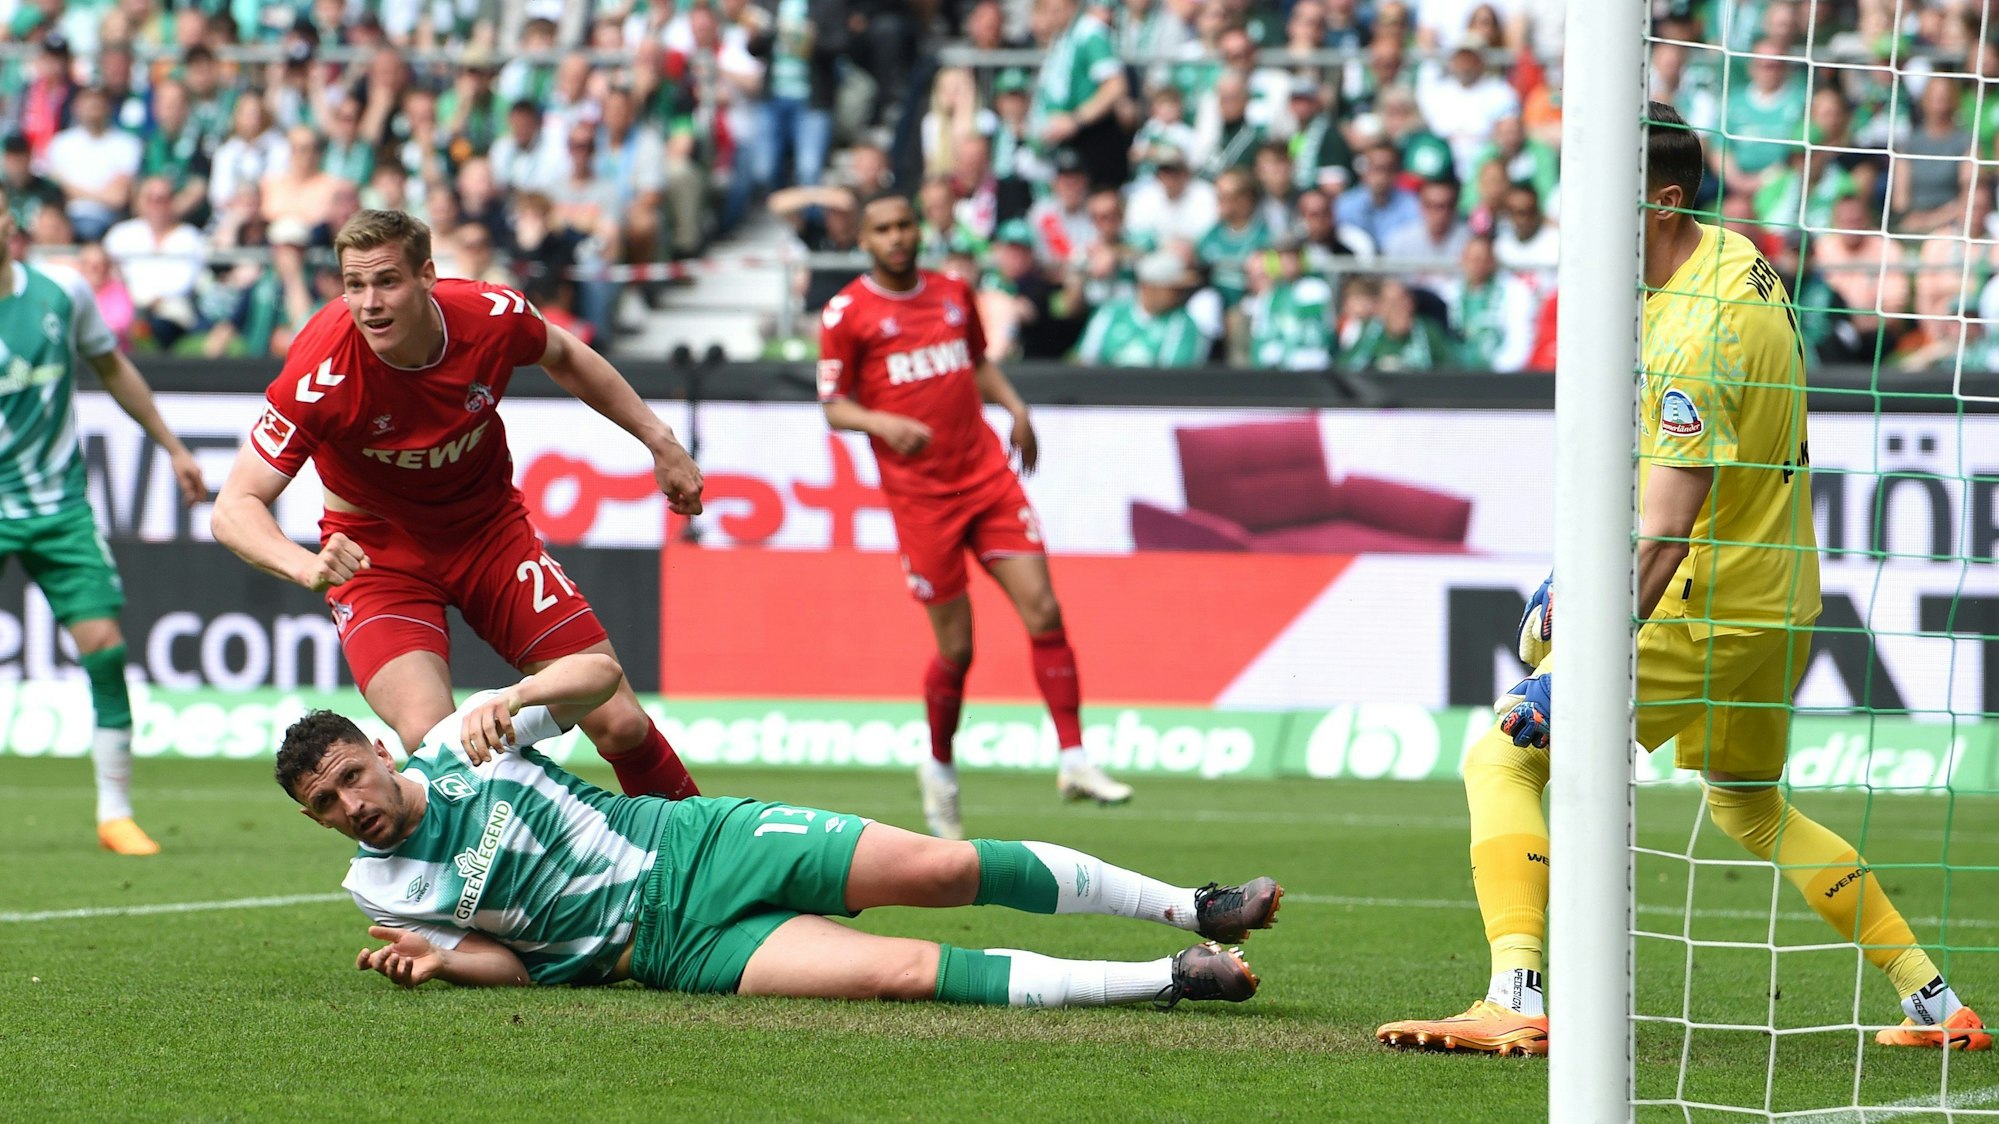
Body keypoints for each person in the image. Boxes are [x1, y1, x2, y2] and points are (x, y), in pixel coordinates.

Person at [1376, 103, 1990, 1057]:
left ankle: (1516, 991)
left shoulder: (1695, 333)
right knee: (1749, 806)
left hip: (1697, 604)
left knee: (1502, 753)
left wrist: (1577, 659)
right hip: (1778, 600)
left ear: (1662, 202)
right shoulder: (1730, 254)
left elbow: (1666, 532)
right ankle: (1933, 999)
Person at [279, 652, 1283, 1006]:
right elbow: (516, 960)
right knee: (902, 973)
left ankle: (1195, 904)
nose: (349, 806)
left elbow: (600, 676)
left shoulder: (465, 739)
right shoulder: (378, 890)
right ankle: (1172, 977)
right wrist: (443, 966)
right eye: (324, 805)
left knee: (939, 867)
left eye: (349, 777)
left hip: (698, 843)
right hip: (671, 949)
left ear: (377, 746)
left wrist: (523, 691)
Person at [210, 210, 705, 803]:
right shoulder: (319, 372)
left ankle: (708, 870)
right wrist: (302, 564)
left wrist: (659, 439)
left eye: (386, 281)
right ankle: (554, 864)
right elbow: (234, 506)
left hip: (490, 536)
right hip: (380, 562)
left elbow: (567, 355)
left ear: (427, 276)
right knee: (437, 740)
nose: (368, 303)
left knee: (619, 720)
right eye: (354, 285)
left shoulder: (492, 316)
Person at [816, 192, 1134, 841]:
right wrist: (880, 422)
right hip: (921, 500)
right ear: (867, 241)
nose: (898, 235)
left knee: (1043, 610)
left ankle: (1073, 758)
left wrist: (1015, 409)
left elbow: (978, 363)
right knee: (956, 650)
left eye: (904, 223)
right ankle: (938, 769)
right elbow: (833, 406)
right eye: (884, 228)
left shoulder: (952, 292)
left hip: (986, 477)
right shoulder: (846, 313)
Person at [0, 186, 205, 855]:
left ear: (12, 222)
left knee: (106, 649)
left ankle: (114, 812)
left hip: (58, 508)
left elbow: (114, 368)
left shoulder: (62, 294)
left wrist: (173, 447)